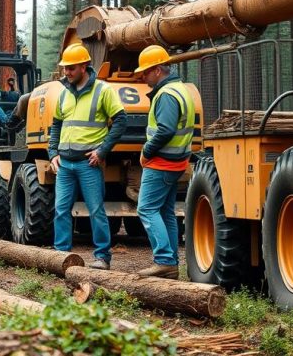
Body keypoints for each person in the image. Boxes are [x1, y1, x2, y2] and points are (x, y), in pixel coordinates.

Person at [48, 43, 128, 270]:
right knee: (61, 210)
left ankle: (102, 257)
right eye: (65, 68)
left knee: (96, 211)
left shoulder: (103, 90)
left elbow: (121, 120)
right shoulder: (64, 93)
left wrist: (102, 151)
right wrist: (53, 152)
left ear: (84, 66)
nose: (67, 72)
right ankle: (60, 256)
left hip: (88, 164)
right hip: (65, 164)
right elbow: (56, 125)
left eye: (71, 68)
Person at [134, 45, 193, 279]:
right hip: (176, 161)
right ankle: (172, 263)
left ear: (158, 70)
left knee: (146, 208)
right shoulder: (180, 89)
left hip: (162, 161)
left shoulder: (167, 95)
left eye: (145, 72)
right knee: (166, 212)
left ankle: (164, 261)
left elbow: (166, 129)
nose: (142, 76)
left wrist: (146, 151)